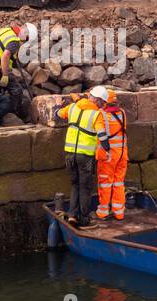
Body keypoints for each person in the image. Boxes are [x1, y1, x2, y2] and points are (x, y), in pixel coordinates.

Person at [55, 86, 108, 228]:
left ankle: (72, 215)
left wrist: (57, 105)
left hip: (70, 154)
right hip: (85, 157)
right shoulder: (97, 115)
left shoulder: (72, 107)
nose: (103, 106)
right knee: (85, 187)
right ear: (97, 100)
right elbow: (102, 135)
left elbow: (58, 114)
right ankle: (84, 219)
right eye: (103, 103)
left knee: (75, 185)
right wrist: (107, 149)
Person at [0, 23, 33, 120]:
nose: (24, 41)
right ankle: (10, 114)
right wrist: (5, 75)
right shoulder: (14, 40)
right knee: (17, 91)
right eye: (26, 38)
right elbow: (5, 55)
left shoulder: (5, 31)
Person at [95, 89, 129, 221]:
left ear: (104, 101)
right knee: (119, 183)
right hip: (122, 154)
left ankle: (103, 211)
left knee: (105, 183)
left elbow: (101, 134)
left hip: (108, 156)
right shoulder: (123, 113)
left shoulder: (101, 115)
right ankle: (119, 212)